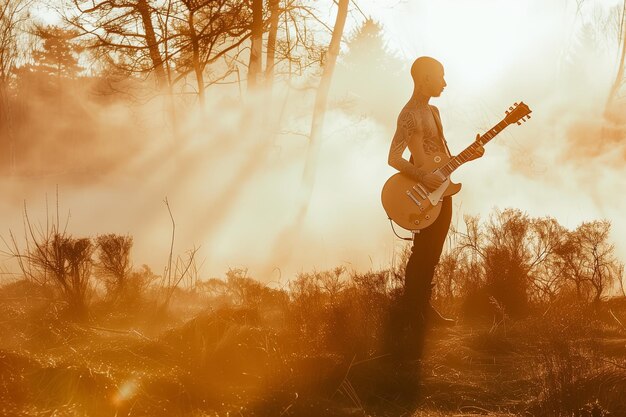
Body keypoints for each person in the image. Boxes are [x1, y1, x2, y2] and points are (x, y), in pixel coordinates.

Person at [387, 56, 484, 358]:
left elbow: (443, 154)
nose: (444, 82)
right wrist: (421, 176)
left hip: (442, 190)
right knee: (422, 253)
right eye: (440, 76)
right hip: (423, 191)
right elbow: (394, 157)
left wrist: (471, 154)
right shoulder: (408, 115)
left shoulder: (434, 111)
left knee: (433, 255)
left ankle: (422, 310)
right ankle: (411, 312)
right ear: (424, 78)